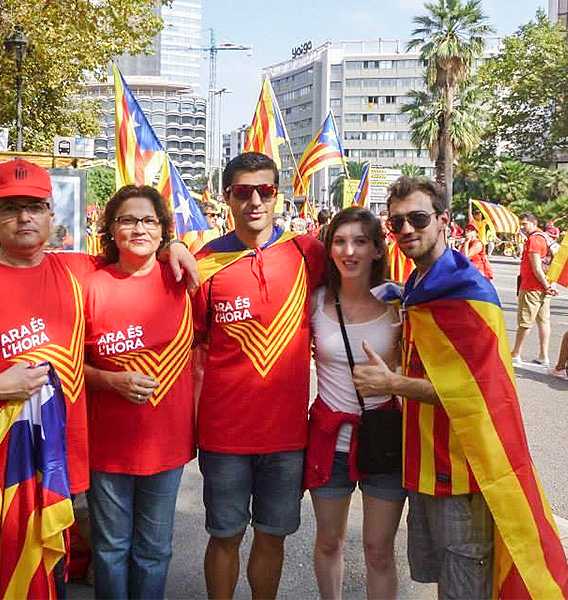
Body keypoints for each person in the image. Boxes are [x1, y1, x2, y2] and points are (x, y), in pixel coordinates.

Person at [0, 159, 198, 599]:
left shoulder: (77, 272)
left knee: (46, 587)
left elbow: (133, 253)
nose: (24, 217)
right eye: (9, 207)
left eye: (34, 206)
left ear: (50, 213)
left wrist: (174, 248)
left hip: (52, 479)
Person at [351, 177, 568, 600]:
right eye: (396, 223)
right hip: (423, 465)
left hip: (462, 470)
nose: (406, 230)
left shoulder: (469, 292)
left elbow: (480, 392)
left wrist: (390, 383)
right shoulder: (419, 285)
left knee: (465, 586)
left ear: (442, 221)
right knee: (445, 580)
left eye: (417, 218)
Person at [193, 152, 325, 600]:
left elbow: (363, 282)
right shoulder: (205, 262)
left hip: (287, 436)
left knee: (273, 536)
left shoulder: (308, 253)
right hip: (223, 434)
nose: (254, 200)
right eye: (242, 191)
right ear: (226, 196)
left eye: (264, 191)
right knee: (225, 536)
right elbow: (188, 345)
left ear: (278, 195)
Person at [83, 185, 196, 599]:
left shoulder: (184, 277)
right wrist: (111, 381)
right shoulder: (89, 284)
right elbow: (68, 363)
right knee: (111, 548)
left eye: (149, 220)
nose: (138, 228)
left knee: (154, 550)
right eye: (127, 220)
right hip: (108, 445)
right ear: (112, 229)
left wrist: (179, 247)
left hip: (167, 444)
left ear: (163, 229)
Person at [303, 207, 405, 599]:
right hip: (331, 441)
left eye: (361, 241)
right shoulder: (315, 302)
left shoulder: (400, 304)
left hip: (384, 437)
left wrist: (395, 381)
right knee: (330, 542)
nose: (350, 251)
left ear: (378, 250)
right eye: (340, 241)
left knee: (379, 551)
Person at [511, 212, 557, 367]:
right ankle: (544, 355)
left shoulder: (534, 240)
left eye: (525, 224)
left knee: (525, 322)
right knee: (544, 321)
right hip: (545, 286)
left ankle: (516, 353)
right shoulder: (544, 237)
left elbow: (536, 268)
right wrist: (550, 285)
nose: (522, 227)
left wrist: (546, 285)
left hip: (532, 287)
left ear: (534, 223)